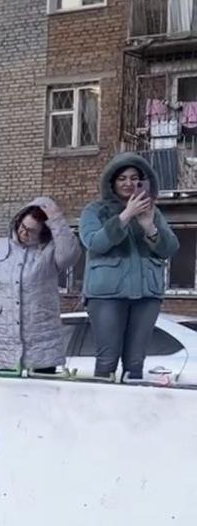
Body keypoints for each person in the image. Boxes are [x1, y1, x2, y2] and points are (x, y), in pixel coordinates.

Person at [79, 154, 179, 380]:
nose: (128, 183)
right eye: (122, 178)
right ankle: (102, 409)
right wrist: (125, 216)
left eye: (135, 178)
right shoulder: (95, 210)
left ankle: (131, 411)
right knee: (107, 359)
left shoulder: (152, 210)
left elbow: (170, 248)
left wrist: (149, 226)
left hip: (146, 295)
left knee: (136, 361)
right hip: (106, 295)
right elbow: (94, 243)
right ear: (112, 182)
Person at [0, 197, 80, 374]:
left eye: (32, 231)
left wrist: (56, 220)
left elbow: (69, 256)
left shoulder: (50, 250)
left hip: (42, 341)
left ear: (43, 233)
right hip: (4, 342)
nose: (24, 233)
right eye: (23, 226)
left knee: (40, 397)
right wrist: (2, 307)